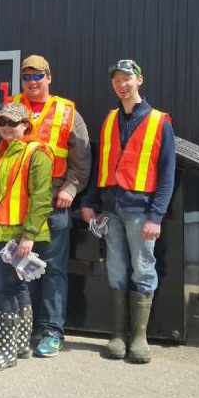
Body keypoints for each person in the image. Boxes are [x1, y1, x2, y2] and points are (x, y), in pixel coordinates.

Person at [80, 59, 175, 364]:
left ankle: (139, 337)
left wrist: (156, 216)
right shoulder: (109, 119)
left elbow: (167, 174)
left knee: (143, 268)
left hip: (140, 211)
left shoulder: (160, 121)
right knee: (117, 269)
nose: (122, 85)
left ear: (140, 81)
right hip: (110, 210)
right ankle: (118, 334)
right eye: (117, 81)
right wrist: (89, 202)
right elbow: (99, 166)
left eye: (127, 79)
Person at [1, 55, 91, 357]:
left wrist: (71, 188)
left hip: (54, 203)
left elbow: (82, 161)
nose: (32, 82)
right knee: (20, 268)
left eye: (37, 75)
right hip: (18, 202)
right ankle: (23, 328)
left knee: (53, 270)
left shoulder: (68, 112)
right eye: (26, 76)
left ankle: (51, 330)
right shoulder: (11, 106)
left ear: (48, 77)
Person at [0, 102, 53, 372]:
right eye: (2, 122)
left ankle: (7, 351)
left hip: (17, 234)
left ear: (25, 125)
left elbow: (42, 198)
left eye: (13, 123)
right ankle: (20, 344)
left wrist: (29, 235)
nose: (7, 127)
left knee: (4, 289)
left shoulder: (37, 153)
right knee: (18, 287)